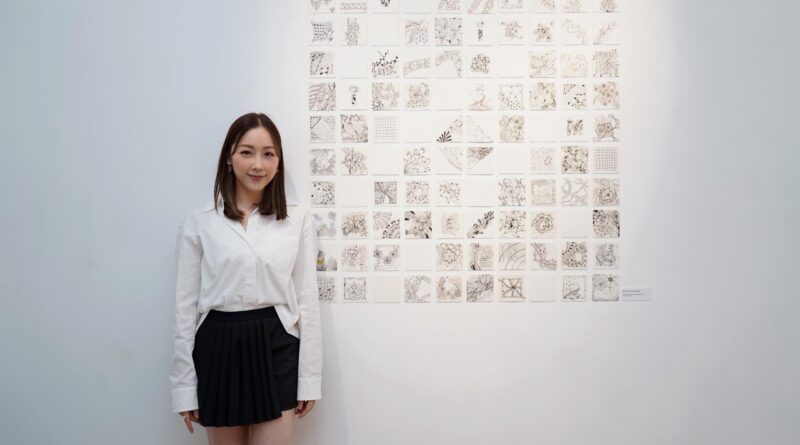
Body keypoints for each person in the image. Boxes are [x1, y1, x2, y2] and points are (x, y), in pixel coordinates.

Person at [169, 112, 322, 445]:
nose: (258, 164)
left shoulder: (297, 219)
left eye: (268, 154)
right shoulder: (200, 222)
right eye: (247, 152)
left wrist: (309, 379)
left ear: (278, 162)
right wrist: (184, 387)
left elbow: (307, 301)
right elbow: (185, 308)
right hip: (217, 346)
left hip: (277, 344)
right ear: (229, 157)